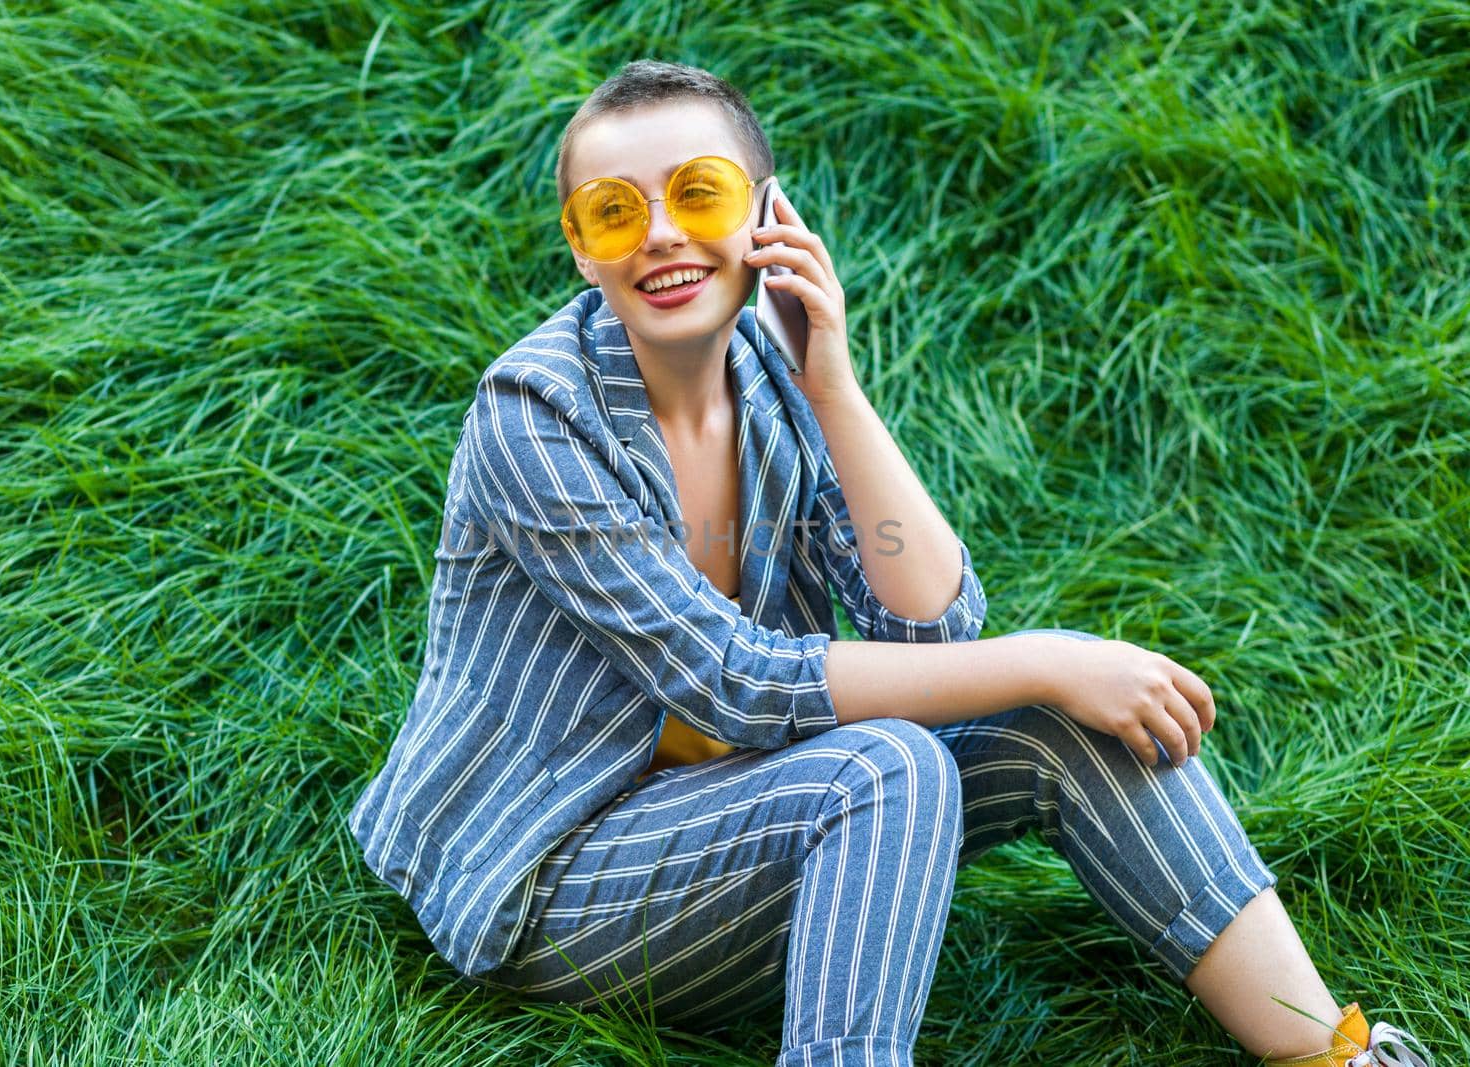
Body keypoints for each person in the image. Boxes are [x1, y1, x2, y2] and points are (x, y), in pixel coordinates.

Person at [347, 59, 1434, 1067]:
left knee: (1067, 720)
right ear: (580, 246)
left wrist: (837, 388)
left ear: (770, 215)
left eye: (702, 194)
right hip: (552, 867)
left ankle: (1332, 1053)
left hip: (733, 814)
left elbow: (930, 632)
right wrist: (1049, 651)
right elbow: (734, 678)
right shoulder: (534, 413)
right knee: (888, 766)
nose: (662, 235)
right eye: (616, 211)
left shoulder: (771, 376)